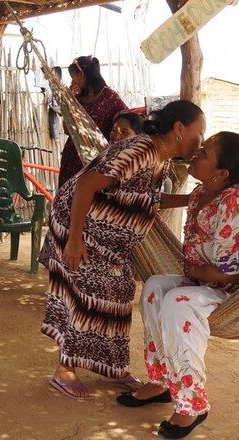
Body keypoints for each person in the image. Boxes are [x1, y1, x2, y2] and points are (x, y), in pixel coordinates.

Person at [40, 100, 206, 400]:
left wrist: (194, 199)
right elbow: (86, 185)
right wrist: (75, 240)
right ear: (180, 129)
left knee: (119, 291)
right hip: (79, 229)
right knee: (88, 292)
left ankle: (110, 370)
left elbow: (147, 202)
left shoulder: (161, 159)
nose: (201, 141)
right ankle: (64, 370)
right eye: (200, 133)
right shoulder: (141, 150)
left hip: (109, 243)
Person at [118, 132, 239, 440]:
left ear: (222, 173)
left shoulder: (238, 201)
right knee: (154, 288)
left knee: (178, 303)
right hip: (203, 281)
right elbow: (164, 204)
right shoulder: (201, 193)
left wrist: (199, 271)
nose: (197, 152)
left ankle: (193, 405)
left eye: (205, 152)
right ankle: (162, 380)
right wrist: (127, 196)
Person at [57, 55, 129, 189]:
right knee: (68, 199)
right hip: (73, 158)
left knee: (92, 202)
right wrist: (69, 101)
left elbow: (128, 120)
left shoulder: (109, 97)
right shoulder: (77, 99)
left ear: (82, 74)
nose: (72, 81)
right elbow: (68, 130)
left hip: (98, 161)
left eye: (74, 77)